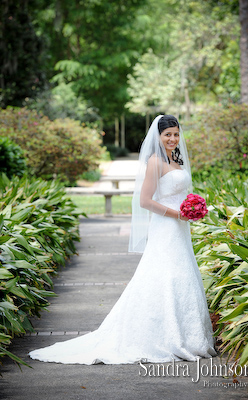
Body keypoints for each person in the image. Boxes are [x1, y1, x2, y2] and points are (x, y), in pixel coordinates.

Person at [29, 115, 216, 365]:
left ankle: (188, 335)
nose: (172, 139)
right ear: (158, 137)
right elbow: (145, 201)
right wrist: (178, 214)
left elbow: (179, 192)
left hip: (180, 228)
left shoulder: (176, 159)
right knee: (167, 275)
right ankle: (162, 336)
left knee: (182, 274)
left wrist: (194, 208)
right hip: (167, 226)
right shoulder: (155, 161)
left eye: (175, 133)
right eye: (167, 134)